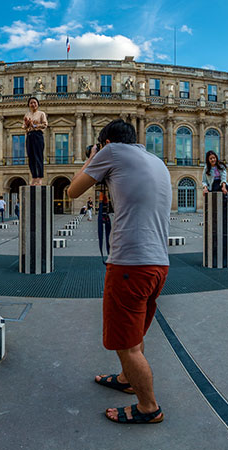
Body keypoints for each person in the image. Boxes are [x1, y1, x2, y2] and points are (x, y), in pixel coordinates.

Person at [70, 119, 172, 425]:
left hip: (130, 264)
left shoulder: (112, 152)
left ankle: (148, 407)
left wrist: (92, 156)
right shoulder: (156, 161)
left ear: (108, 142)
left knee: (126, 344)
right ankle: (128, 380)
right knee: (134, 332)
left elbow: (74, 190)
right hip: (158, 265)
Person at [202, 151, 228, 221]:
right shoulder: (206, 168)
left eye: (214, 158)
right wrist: (205, 188)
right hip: (214, 185)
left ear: (216, 157)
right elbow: (204, 181)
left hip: (222, 183)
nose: (213, 160)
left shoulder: (221, 166)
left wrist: (224, 186)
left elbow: (223, 177)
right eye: (211, 158)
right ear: (208, 160)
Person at [24, 97, 48, 186]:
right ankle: (34, 177)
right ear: (29, 105)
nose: (33, 104)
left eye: (34, 102)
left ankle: (40, 178)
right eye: (31, 103)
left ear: (37, 104)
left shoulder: (41, 114)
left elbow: (45, 125)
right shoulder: (27, 114)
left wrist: (33, 124)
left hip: (38, 135)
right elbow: (23, 127)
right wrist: (27, 124)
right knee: (31, 158)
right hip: (29, 135)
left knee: (38, 157)